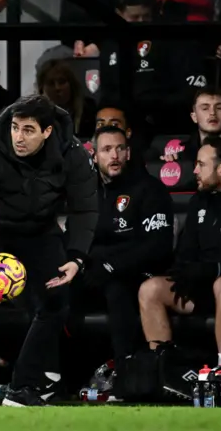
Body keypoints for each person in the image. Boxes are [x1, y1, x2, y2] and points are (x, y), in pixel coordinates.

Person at [0, 95, 98, 407]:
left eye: (29, 130)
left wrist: (76, 257)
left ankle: (23, 385)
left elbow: (85, 209)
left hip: (41, 230)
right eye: (15, 128)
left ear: (47, 132)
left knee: (57, 300)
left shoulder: (72, 153)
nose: (18, 137)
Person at [138, 136, 221, 370]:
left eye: (201, 165)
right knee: (150, 289)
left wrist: (214, 269)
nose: (195, 170)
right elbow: (187, 249)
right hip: (203, 284)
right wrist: (184, 271)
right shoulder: (200, 200)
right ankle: (164, 372)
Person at [80, 125, 174, 398]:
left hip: (135, 275)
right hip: (95, 271)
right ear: (94, 155)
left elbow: (157, 247)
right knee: (55, 287)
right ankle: (47, 375)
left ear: (129, 152)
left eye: (120, 148)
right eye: (107, 149)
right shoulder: (86, 192)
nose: (115, 155)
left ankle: (125, 373)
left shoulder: (149, 189)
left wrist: (111, 266)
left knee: (117, 289)